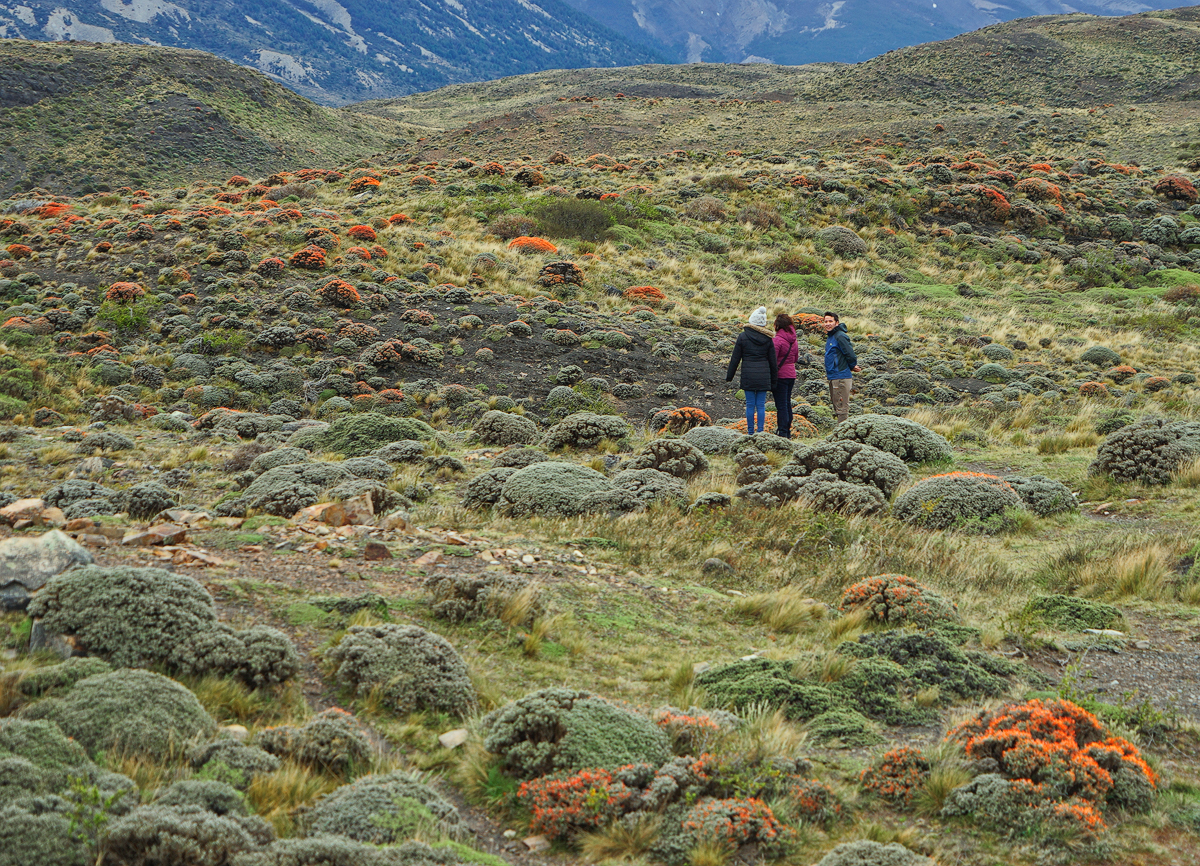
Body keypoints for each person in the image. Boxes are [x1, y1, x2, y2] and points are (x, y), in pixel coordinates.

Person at [727, 306, 778, 434]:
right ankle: (760, 432)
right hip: (763, 376)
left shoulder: (743, 337)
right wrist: (774, 381)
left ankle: (750, 432)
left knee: (750, 405)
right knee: (761, 405)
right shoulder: (768, 339)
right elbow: (773, 362)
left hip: (748, 375)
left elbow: (735, 359)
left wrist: (729, 376)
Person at [823, 311, 860, 424]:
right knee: (837, 406)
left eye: (830, 321)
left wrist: (852, 365)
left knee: (841, 407)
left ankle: (842, 435)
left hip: (841, 376)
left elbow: (850, 353)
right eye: (826, 321)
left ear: (837, 323)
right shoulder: (831, 336)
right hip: (833, 376)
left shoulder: (840, 336)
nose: (828, 324)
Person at [771, 311, 798, 438]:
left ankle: (783, 433)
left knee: (781, 405)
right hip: (791, 374)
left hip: (780, 376)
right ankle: (787, 431)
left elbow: (772, 359)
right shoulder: (794, 340)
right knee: (787, 403)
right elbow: (795, 358)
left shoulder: (777, 340)